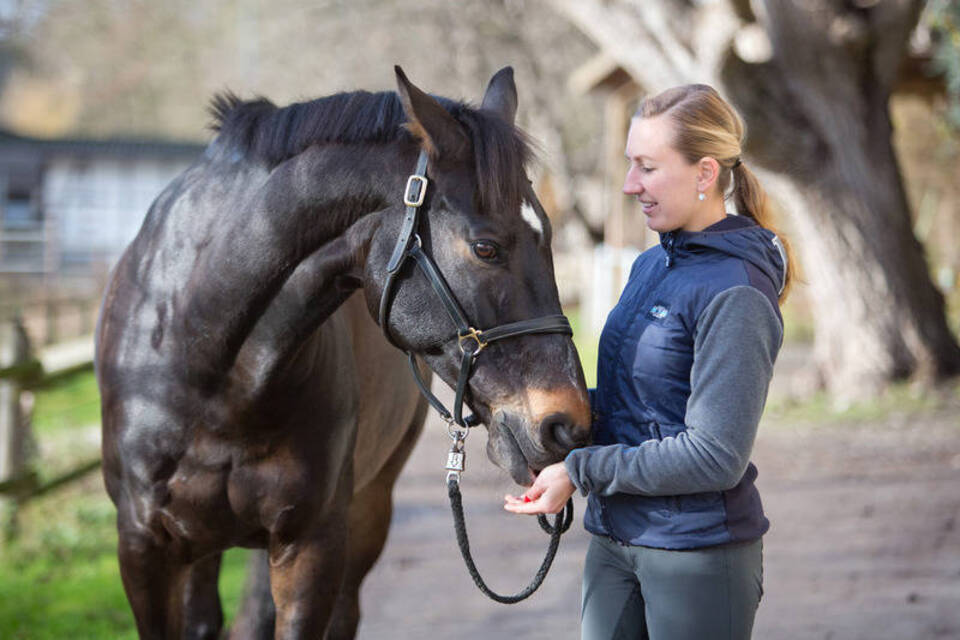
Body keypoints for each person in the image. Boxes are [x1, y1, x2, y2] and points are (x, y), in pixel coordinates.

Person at [504, 84, 795, 640]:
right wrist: (527, 412)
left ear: (705, 174)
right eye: (629, 164)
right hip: (615, 543)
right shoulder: (650, 267)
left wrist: (579, 471)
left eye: (647, 167)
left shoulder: (736, 292)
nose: (628, 184)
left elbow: (715, 456)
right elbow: (632, 400)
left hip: (697, 554)